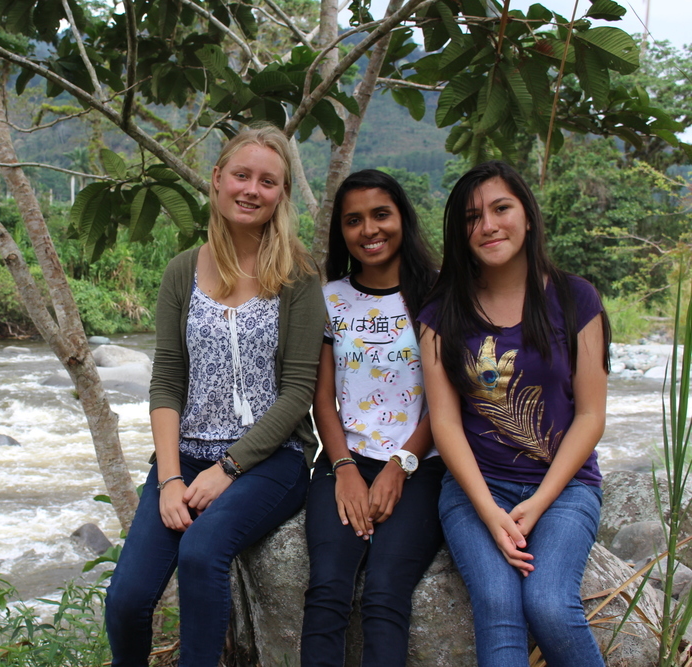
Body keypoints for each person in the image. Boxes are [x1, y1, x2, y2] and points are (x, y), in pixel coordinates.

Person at [104, 124, 325, 667]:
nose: (252, 189)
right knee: (127, 599)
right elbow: (168, 380)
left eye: (268, 181)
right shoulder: (183, 270)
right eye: (242, 175)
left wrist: (228, 467)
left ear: (282, 195)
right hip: (187, 455)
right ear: (217, 180)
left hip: (272, 461)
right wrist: (172, 477)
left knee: (203, 553)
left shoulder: (298, 275)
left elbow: (298, 392)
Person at [417, 161, 610, 667]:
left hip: (566, 487)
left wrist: (540, 501)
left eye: (501, 208)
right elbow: (446, 422)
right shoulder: (442, 313)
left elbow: (591, 416)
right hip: (477, 490)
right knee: (499, 605)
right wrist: (490, 511)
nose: (488, 225)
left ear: (527, 216)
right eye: (471, 217)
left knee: (548, 603)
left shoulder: (576, 299)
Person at [300, 170, 445, 666]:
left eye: (380, 214)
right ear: (342, 231)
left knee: (385, 594)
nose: (369, 230)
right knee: (327, 590)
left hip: (421, 465)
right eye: (353, 220)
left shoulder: (438, 297)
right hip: (346, 459)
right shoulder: (331, 298)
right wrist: (343, 470)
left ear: (402, 216)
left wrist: (399, 466)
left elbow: (444, 402)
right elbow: (323, 399)